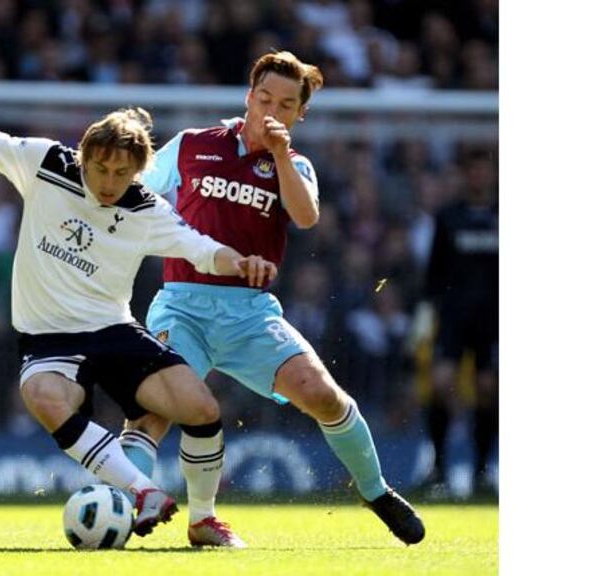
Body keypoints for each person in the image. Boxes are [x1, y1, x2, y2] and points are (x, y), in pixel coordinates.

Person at [0, 44, 276, 544]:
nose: (109, 182)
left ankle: (204, 519)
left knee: (202, 408)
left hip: (116, 330)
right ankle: (142, 490)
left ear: (137, 171)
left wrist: (244, 261)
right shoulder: (45, 165)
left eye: (122, 174)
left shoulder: (146, 209)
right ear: (85, 156)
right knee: (41, 394)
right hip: (48, 336)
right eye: (101, 170)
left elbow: (205, 250)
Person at [122, 51, 426, 545]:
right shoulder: (190, 146)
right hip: (183, 305)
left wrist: (281, 155)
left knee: (325, 397)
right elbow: (137, 204)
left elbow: (305, 218)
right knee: (153, 412)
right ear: (248, 95)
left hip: (250, 314)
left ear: (299, 114)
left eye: (286, 105)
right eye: (264, 98)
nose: (271, 112)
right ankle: (156, 508)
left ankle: (375, 492)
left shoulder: (297, 165)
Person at [417, 146, 499, 496]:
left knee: (487, 388)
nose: (479, 176)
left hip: (494, 320)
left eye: (484, 170)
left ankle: (482, 471)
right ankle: (437, 466)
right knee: (441, 383)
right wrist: (427, 316)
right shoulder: (448, 217)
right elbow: (433, 275)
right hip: (453, 317)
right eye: (473, 170)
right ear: (466, 176)